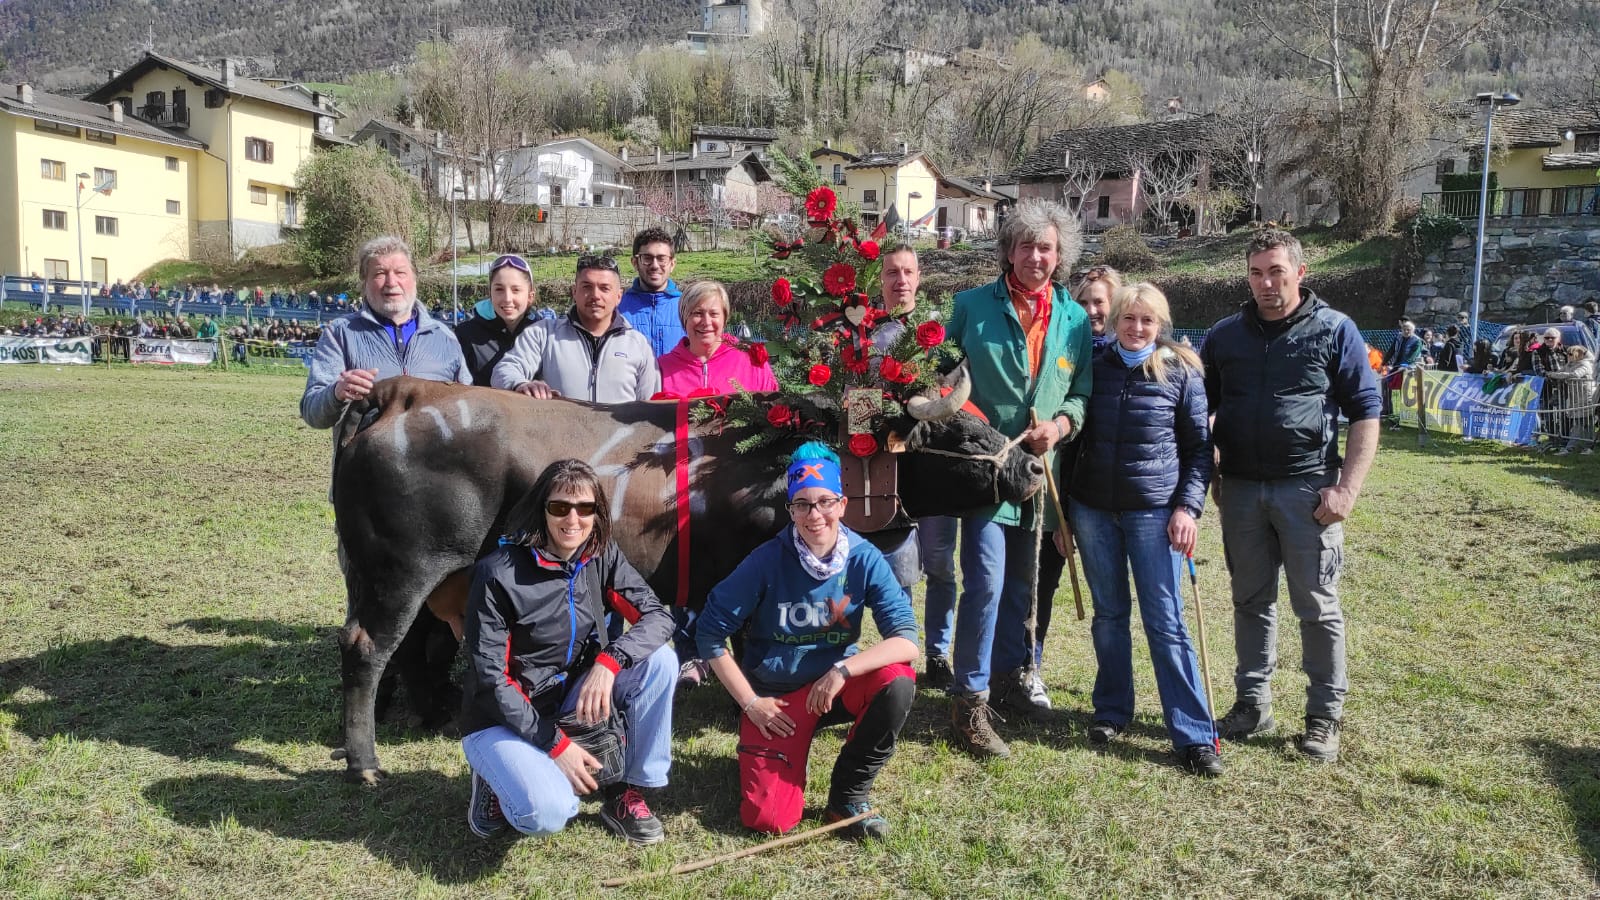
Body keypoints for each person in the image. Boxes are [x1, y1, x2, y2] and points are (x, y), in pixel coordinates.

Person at [1201, 229, 1381, 764]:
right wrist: (1209, 467)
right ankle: (1252, 705)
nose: (1266, 283)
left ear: (1300, 273)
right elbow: (1199, 407)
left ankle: (1324, 716)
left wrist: (1347, 489)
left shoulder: (1335, 330)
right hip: (1240, 492)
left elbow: (1366, 412)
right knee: (1250, 602)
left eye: (1277, 271)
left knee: (1317, 608)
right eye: (1256, 273)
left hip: (1308, 492)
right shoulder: (1224, 336)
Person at [695, 442, 920, 840]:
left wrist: (841, 670)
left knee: (897, 679)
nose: (814, 515)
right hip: (776, 702)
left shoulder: (864, 558)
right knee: (770, 821)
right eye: (802, 504)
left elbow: (906, 641)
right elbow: (710, 633)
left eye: (824, 502)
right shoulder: (766, 560)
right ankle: (771, 754)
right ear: (791, 510)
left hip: (832, 689)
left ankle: (848, 796)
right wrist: (751, 703)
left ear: (842, 504)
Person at [942, 198, 1093, 758]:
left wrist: (1058, 425)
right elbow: (942, 377)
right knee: (983, 580)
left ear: (1061, 256)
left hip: (1038, 476)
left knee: (1024, 588)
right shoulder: (971, 306)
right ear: (1008, 249)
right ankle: (969, 704)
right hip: (985, 471)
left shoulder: (1074, 319)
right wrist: (979, 428)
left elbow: (1080, 395)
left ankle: (1010, 679)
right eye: (1026, 245)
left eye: (1047, 247)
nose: (1036, 256)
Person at [459, 459, 676, 844]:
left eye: (585, 508)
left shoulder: (600, 554)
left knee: (660, 661)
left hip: (568, 698)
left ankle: (626, 790)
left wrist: (610, 662)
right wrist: (555, 745)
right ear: (541, 510)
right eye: (559, 507)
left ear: (598, 513)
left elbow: (657, 618)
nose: (572, 519)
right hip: (500, 717)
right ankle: (492, 776)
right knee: (547, 813)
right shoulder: (497, 575)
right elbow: (491, 681)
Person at [1064, 282, 1219, 775]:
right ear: (1114, 322)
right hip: (1093, 510)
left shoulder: (1182, 372)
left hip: (1155, 513)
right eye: (1128, 319)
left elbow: (1198, 451)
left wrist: (1187, 510)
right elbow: (1073, 444)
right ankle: (1112, 709)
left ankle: (1193, 733)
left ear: (1160, 326)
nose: (1136, 328)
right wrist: (1065, 515)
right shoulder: (1095, 364)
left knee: (1166, 622)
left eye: (1146, 321)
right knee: (1108, 615)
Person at [300, 236, 469, 430]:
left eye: (400, 272)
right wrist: (336, 392)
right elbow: (312, 414)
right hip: (368, 459)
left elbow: (468, 406)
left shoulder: (444, 337)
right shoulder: (340, 333)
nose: (391, 282)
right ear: (364, 283)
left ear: (414, 279)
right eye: (380, 273)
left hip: (436, 458)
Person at [492, 255, 660, 403]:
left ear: (618, 296)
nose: (595, 295)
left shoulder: (638, 345)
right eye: (586, 286)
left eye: (604, 288)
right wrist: (521, 384)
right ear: (574, 292)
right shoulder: (543, 334)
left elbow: (651, 405)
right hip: (559, 438)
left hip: (620, 439)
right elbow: (504, 370)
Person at [656, 281, 778, 397]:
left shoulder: (752, 361)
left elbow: (771, 409)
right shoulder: (661, 368)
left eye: (714, 314)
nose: (706, 322)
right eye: (697, 313)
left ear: (724, 319)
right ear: (684, 318)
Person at [455, 254, 541, 386]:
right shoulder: (464, 335)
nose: (507, 298)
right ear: (490, 292)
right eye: (499, 289)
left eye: (516, 290)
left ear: (530, 296)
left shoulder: (544, 335)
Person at [617, 228, 685, 357]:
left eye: (661, 258)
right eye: (647, 258)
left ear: (672, 264)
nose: (655, 265)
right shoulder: (617, 310)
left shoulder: (688, 308)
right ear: (635, 263)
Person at [1548, 345, 1597, 455]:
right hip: (1576, 398)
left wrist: (1555, 375)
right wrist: (1552, 374)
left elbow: (1575, 374)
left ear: (1578, 354)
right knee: (1586, 423)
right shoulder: (1570, 364)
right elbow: (1561, 371)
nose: (1568, 356)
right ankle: (1587, 447)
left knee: (1581, 423)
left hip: (1585, 398)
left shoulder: (1586, 364)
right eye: (1567, 354)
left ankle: (1570, 448)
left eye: (1570, 354)